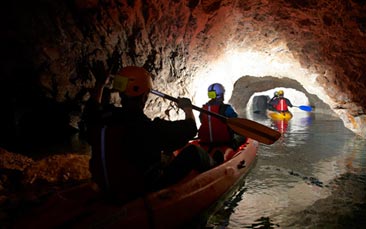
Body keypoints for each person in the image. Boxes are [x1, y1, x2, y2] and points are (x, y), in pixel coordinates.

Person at [84, 65, 215, 203]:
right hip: (141, 190)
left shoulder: (103, 117)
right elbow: (190, 129)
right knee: (194, 152)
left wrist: (100, 84)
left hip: (106, 187)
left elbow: (92, 110)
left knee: (160, 155)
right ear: (145, 96)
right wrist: (188, 109)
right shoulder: (148, 127)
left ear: (121, 93)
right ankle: (216, 167)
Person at [197, 83, 247, 163]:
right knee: (243, 137)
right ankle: (225, 152)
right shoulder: (226, 109)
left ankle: (210, 154)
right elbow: (235, 124)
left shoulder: (203, 109)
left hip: (205, 143)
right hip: (224, 143)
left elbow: (201, 121)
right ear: (221, 95)